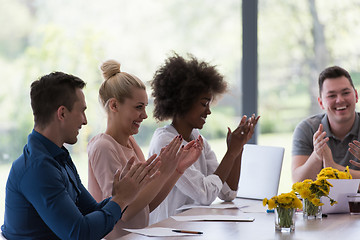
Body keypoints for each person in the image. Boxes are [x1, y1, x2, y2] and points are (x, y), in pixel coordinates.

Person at [1, 72, 160, 240]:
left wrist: (124, 194)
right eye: (82, 111)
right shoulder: (38, 168)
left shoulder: (59, 157)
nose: (85, 121)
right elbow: (79, 234)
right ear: (62, 114)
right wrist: (121, 199)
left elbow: (92, 210)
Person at [87, 59, 203, 239]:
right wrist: (164, 171)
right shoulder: (103, 146)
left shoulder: (131, 143)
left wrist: (177, 169)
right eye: (138, 107)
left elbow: (145, 206)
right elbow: (124, 212)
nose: (145, 115)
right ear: (114, 106)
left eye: (145, 107)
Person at [148, 53, 259, 224]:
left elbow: (227, 192)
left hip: (191, 231)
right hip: (167, 232)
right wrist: (231, 153)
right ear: (182, 101)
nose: (208, 111)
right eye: (203, 103)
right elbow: (205, 194)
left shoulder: (198, 139)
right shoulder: (166, 143)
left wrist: (238, 148)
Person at [292, 66, 360, 183]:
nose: (340, 100)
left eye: (346, 93)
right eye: (332, 96)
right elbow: (298, 182)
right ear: (321, 103)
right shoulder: (307, 129)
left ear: (356, 96)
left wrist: (332, 167)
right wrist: (317, 155)